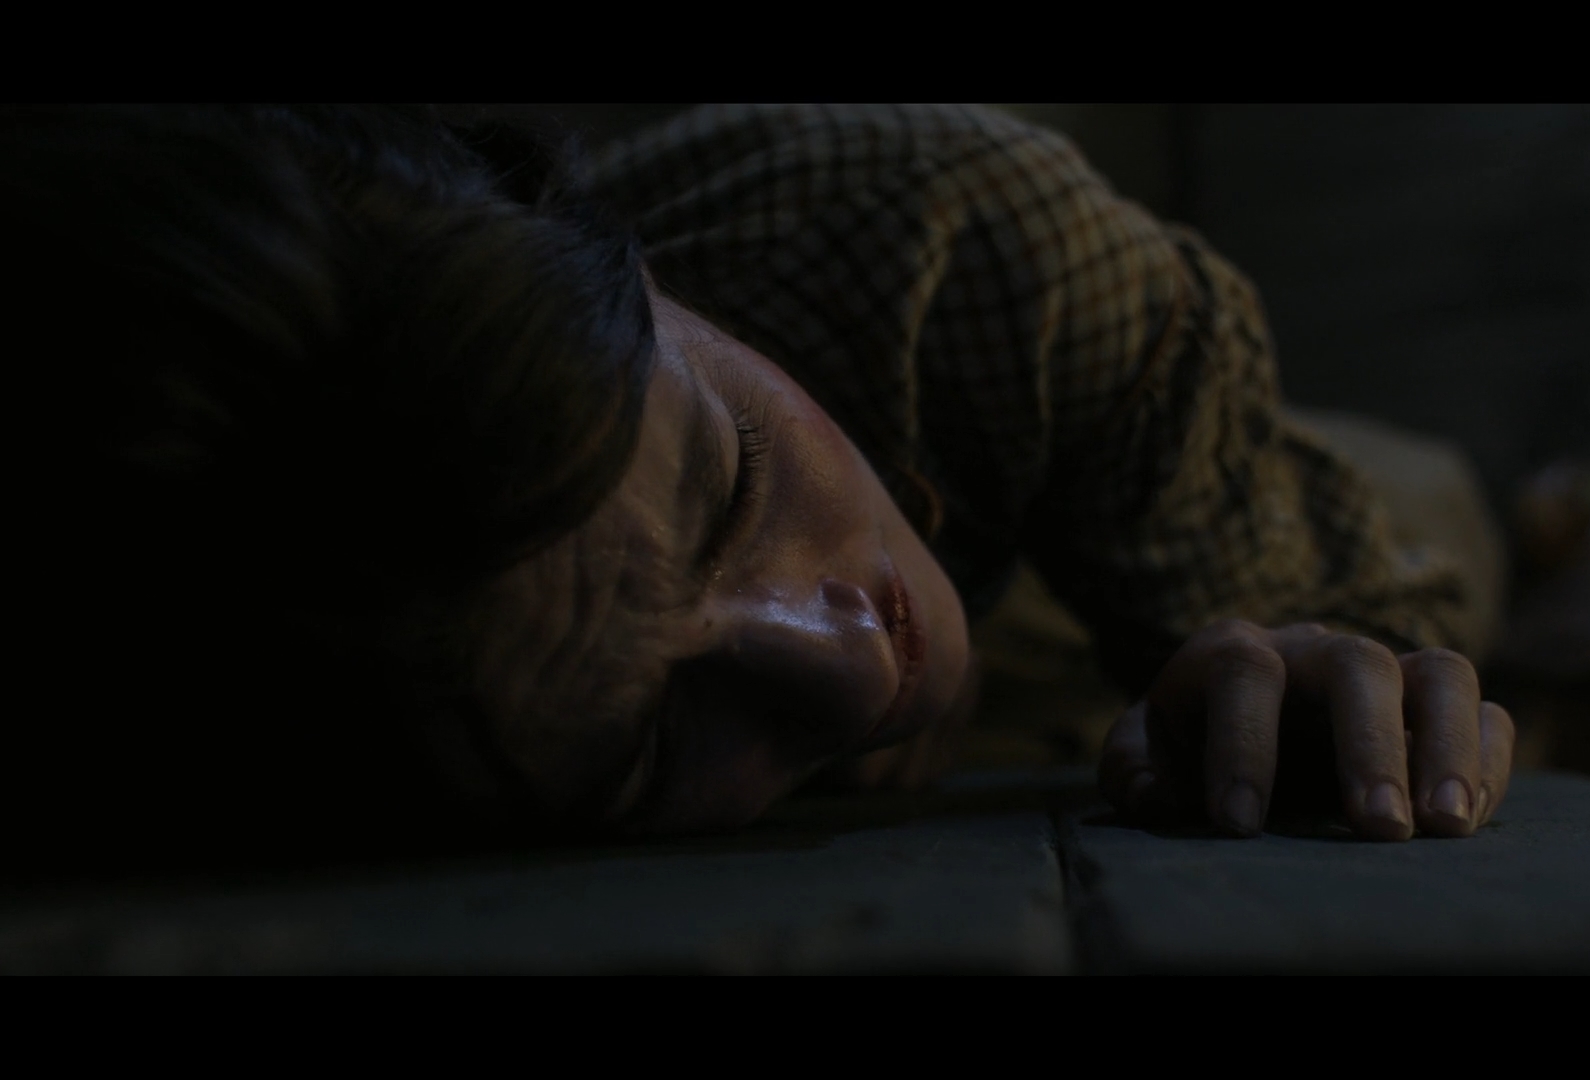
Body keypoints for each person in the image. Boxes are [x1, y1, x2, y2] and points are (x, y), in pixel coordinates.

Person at [4, 104, 1512, 863]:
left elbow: (1384, 659)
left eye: (730, 481)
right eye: (647, 747)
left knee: (1462, 521)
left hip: (1132, 455)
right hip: (1007, 577)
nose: (850, 671)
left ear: (649, 276)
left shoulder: (949, 247)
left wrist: (1322, 656)